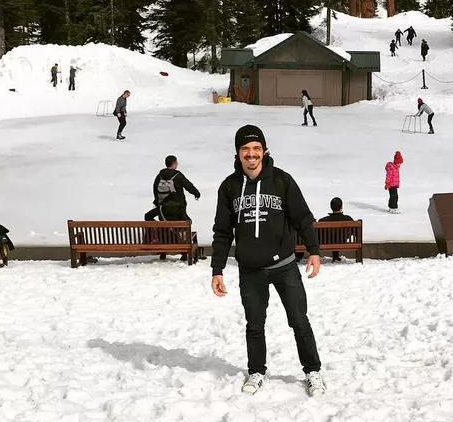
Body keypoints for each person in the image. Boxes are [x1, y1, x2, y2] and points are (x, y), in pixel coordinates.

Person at [211, 124, 326, 397]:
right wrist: (217, 269)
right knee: (254, 324)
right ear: (238, 153)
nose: (251, 154)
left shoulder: (281, 181)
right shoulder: (229, 187)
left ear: (264, 151)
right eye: (245, 149)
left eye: (256, 149)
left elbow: (303, 217)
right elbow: (222, 231)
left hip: (284, 267)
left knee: (299, 321)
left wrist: (314, 250)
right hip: (250, 270)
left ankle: (313, 371)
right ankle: (257, 371)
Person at [145, 155, 201, 222]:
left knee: (147, 216)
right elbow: (188, 186)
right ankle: (178, 232)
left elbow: (155, 190)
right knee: (188, 222)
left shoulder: (159, 176)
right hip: (179, 210)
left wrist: (158, 203)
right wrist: (197, 193)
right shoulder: (178, 175)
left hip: (163, 209)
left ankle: (159, 230)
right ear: (174, 164)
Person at [319, 197, 354, 262]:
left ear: (331, 207)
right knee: (337, 236)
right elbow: (354, 232)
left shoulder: (323, 221)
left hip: (328, 242)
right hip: (342, 241)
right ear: (341, 207)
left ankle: (335, 256)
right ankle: (335, 256)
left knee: (333, 236)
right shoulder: (348, 219)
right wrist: (348, 234)